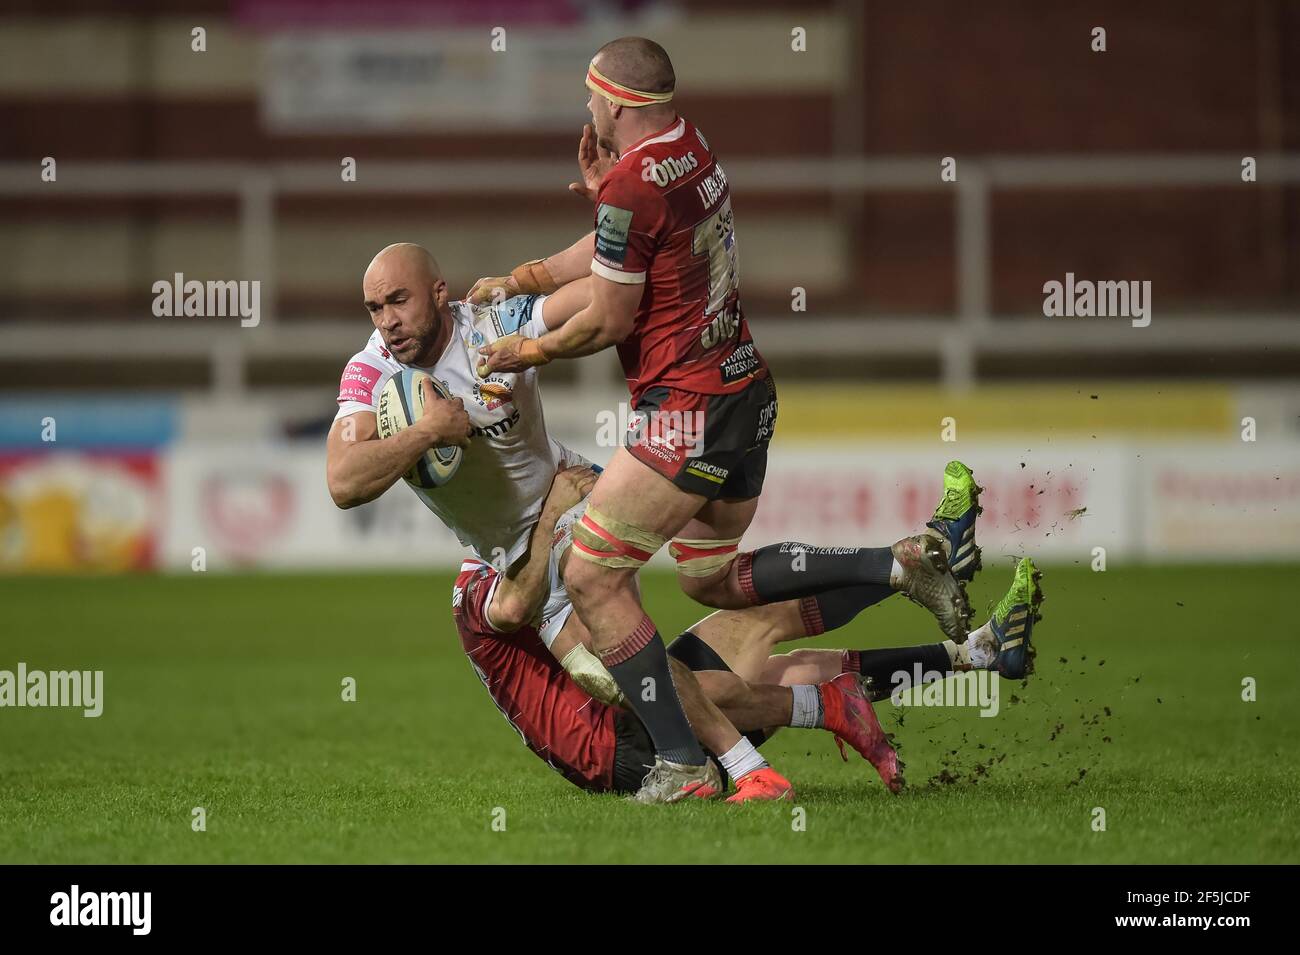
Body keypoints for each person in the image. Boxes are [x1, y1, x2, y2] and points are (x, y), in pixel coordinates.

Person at [474, 37, 972, 801]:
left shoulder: (632, 185)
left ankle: (681, 762)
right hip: (745, 388)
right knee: (709, 578)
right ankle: (899, 564)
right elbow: (620, 244)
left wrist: (527, 348)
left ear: (616, 102)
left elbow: (608, 316)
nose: (586, 108)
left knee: (589, 576)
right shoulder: (689, 148)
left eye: (590, 96)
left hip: (687, 409)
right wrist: (527, 274)